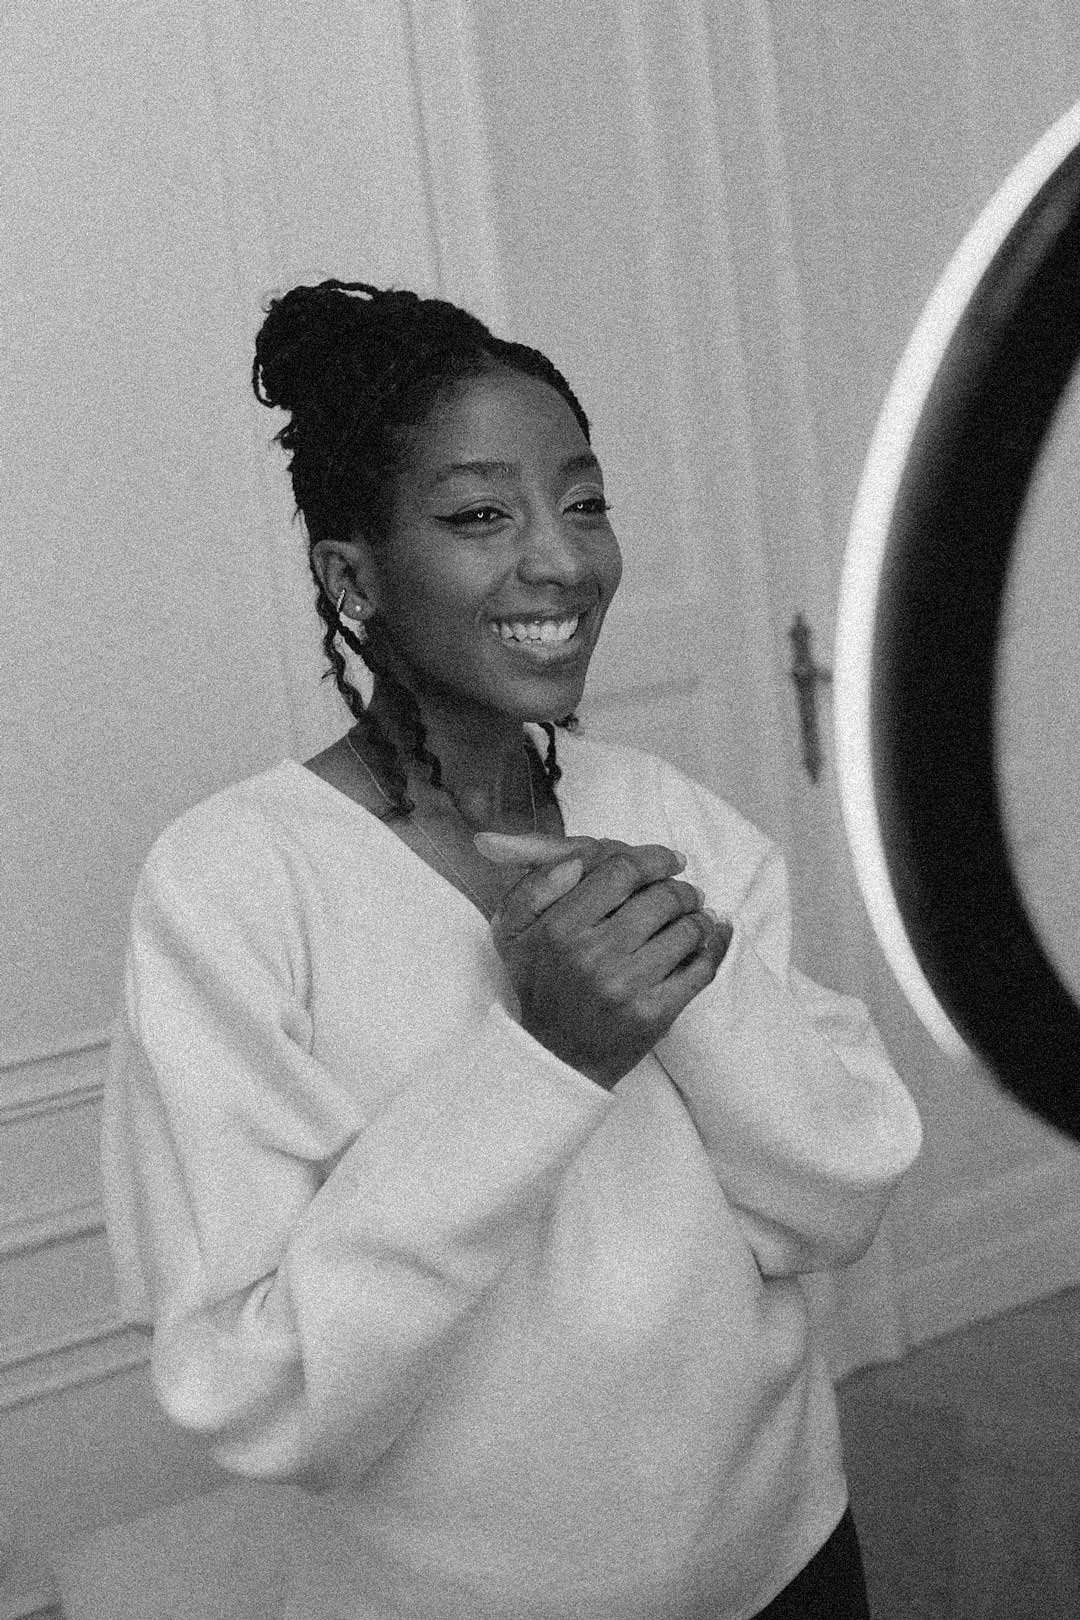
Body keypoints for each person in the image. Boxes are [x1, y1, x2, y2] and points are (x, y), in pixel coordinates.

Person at [102, 279, 922, 1620]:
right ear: (353, 573)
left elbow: (840, 1197)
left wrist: (686, 993)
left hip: (788, 1561)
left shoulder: (670, 820)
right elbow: (257, 1391)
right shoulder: (235, 886)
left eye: (584, 502)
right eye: (481, 515)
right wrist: (548, 1057)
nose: (564, 560)